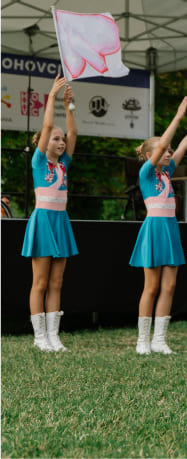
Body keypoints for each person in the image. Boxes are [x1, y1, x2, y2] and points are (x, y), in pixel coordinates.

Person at [129, 97, 187, 354]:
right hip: (154, 229)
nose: (169, 153)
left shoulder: (167, 172)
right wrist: (178, 117)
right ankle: (142, 341)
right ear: (150, 156)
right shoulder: (146, 173)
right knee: (151, 287)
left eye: (169, 150)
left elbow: (181, 148)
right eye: (164, 150)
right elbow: (164, 146)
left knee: (169, 286)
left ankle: (159, 340)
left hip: (170, 229)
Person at [22, 73, 77, 351]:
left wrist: (68, 107)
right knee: (41, 282)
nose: (61, 142)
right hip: (43, 221)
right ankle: (39, 337)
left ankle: (54, 336)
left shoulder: (64, 163)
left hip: (60, 221)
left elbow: (74, 133)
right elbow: (46, 126)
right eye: (56, 139)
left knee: (57, 281)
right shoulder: (39, 161)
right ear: (45, 143)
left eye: (61, 140)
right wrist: (53, 96)